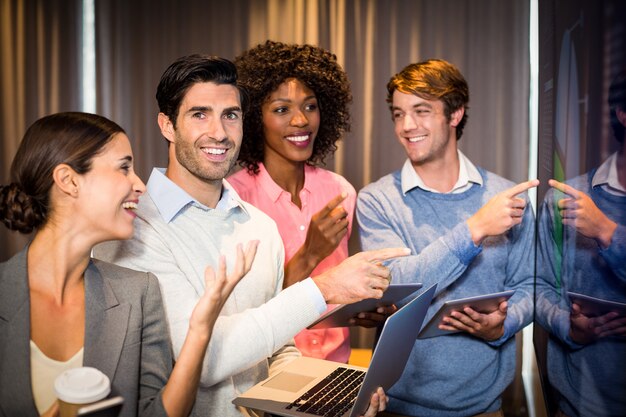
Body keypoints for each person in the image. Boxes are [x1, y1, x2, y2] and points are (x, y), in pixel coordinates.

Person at [94, 54, 406, 417]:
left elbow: (279, 349)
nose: (220, 132)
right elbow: (205, 360)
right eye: (199, 114)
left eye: (230, 115)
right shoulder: (133, 231)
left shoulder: (260, 226)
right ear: (167, 125)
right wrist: (323, 290)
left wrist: (330, 399)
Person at [0, 112, 257, 417]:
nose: (140, 185)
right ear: (69, 181)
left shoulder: (139, 293)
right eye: (124, 168)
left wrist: (200, 329)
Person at [356, 59, 538, 417]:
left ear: (455, 114)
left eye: (421, 111)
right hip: (395, 405)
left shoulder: (506, 198)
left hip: (487, 407)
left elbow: (531, 285)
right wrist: (475, 229)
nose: (407, 126)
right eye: (398, 114)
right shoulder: (377, 200)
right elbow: (398, 281)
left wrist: (503, 325)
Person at [228, 40, 356, 363]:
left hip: (335, 371)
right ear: (255, 118)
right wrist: (310, 254)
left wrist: (364, 306)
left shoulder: (342, 192)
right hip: (270, 378)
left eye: (310, 106)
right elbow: (245, 316)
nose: (301, 120)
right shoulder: (235, 199)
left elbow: (340, 293)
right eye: (282, 109)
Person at [535, 70, 626, 417]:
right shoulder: (567, 199)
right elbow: (540, 286)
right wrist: (568, 327)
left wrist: (607, 231)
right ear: (622, 113)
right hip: (578, 405)